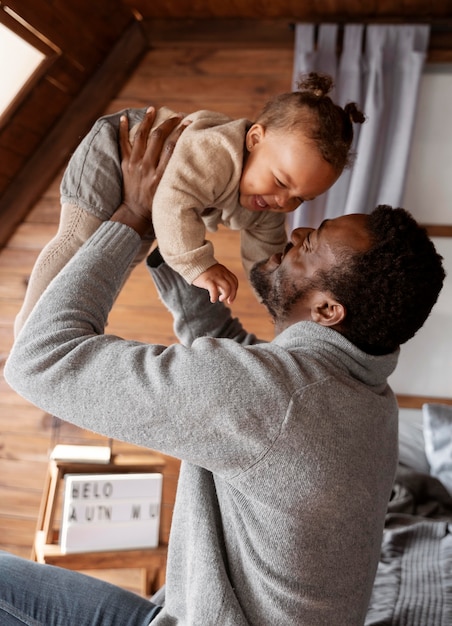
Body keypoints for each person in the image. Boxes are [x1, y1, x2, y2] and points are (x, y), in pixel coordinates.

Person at [3, 110, 445, 626]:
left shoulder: (276, 399)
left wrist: (132, 218)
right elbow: (241, 369)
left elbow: (39, 359)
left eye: (313, 242)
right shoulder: (367, 397)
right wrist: (176, 239)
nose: (296, 229)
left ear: (328, 311)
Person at [13, 73, 365, 337]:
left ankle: (68, 321)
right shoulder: (217, 152)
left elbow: (267, 259)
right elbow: (173, 201)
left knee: (118, 260)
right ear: (255, 139)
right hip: (118, 149)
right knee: (80, 238)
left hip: (151, 198)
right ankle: (29, 327)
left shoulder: (264, 207)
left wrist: (279, 304)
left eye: (300, 198)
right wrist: (200, 265)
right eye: (282, 182)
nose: (284, 202)